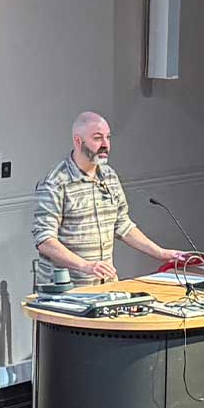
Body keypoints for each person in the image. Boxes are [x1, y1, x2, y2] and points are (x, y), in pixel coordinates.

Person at [31, 111, 183, 290]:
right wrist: (85, 266)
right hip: (67, 291)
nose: (105, 145)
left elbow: (122, 225)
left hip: (106, 287)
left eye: (108, 137)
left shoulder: (109, 176)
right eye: (97, 138)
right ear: (78, 141)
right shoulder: (55, 182)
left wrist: (161, 253)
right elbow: (45, 240)